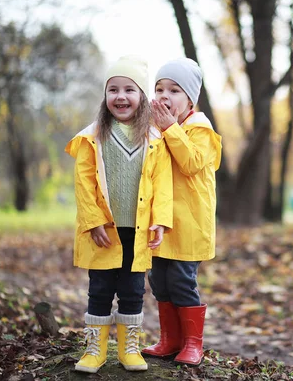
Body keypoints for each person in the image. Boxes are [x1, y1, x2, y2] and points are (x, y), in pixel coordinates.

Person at [64, 55, 173, 373]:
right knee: (99, 288)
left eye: (129, 89)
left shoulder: (154, 139)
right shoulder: (92, 137)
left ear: (141, 97)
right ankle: (94, 350)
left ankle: (129, 348)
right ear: (105, 95)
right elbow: (84, 183)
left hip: (137, 231)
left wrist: (161, 221)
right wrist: (93, 220)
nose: (121, 96)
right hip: (104, 230)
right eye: (113, 90)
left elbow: (162, 183)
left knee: (133, 289)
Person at [142, 58, 222, 366]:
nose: (164, 95)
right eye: (159, 88)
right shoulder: (158, 130)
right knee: (159, 280)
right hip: (161, 221)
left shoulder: (200, 128)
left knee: (181, 280)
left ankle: (193, 344)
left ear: (191, 99)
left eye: (174, 90)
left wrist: (169, 128)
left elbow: (190, 163)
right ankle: (170, 339)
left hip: (189, 223)